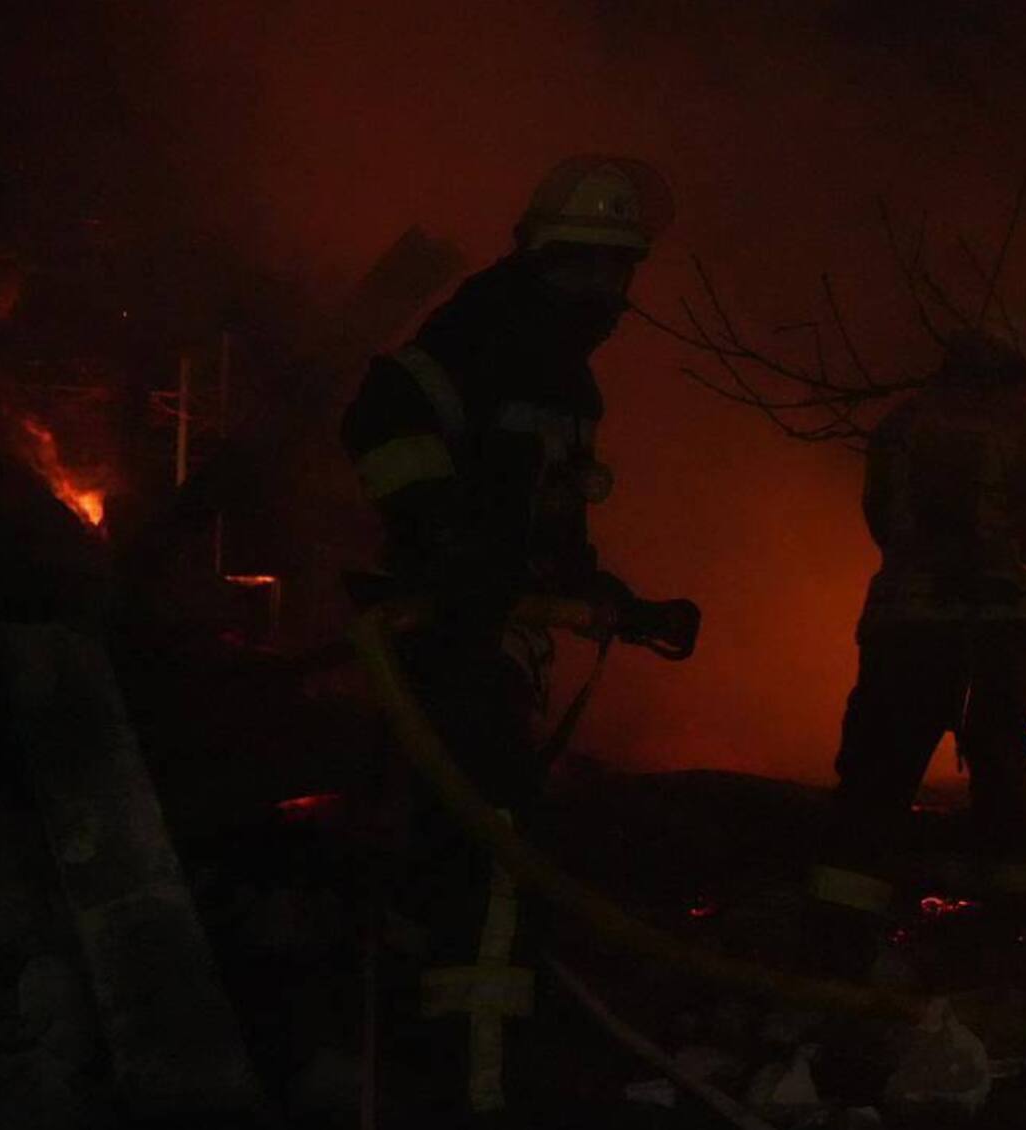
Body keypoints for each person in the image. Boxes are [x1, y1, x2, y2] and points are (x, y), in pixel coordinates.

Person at [340, 156, 696, 1122]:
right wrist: (441, 538)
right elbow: (381, 416)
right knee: (492, 845)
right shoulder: (482, 333)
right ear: (539, 256)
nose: (603, 290)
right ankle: (475, 1087)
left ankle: (448, 1051)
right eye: (584, 264)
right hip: (447, 636)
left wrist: (611, 599)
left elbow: (545, 524)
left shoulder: (565, 375)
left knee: (469, 845)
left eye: (617, 270)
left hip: (494, 637)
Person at [808, 329, 1026, 933]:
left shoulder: (901, 427)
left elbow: (882, 522)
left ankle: (839, 933)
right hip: (1000, 631)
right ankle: (1009, 934)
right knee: (1002, 768)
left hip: (906, 621)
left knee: (878, 771)